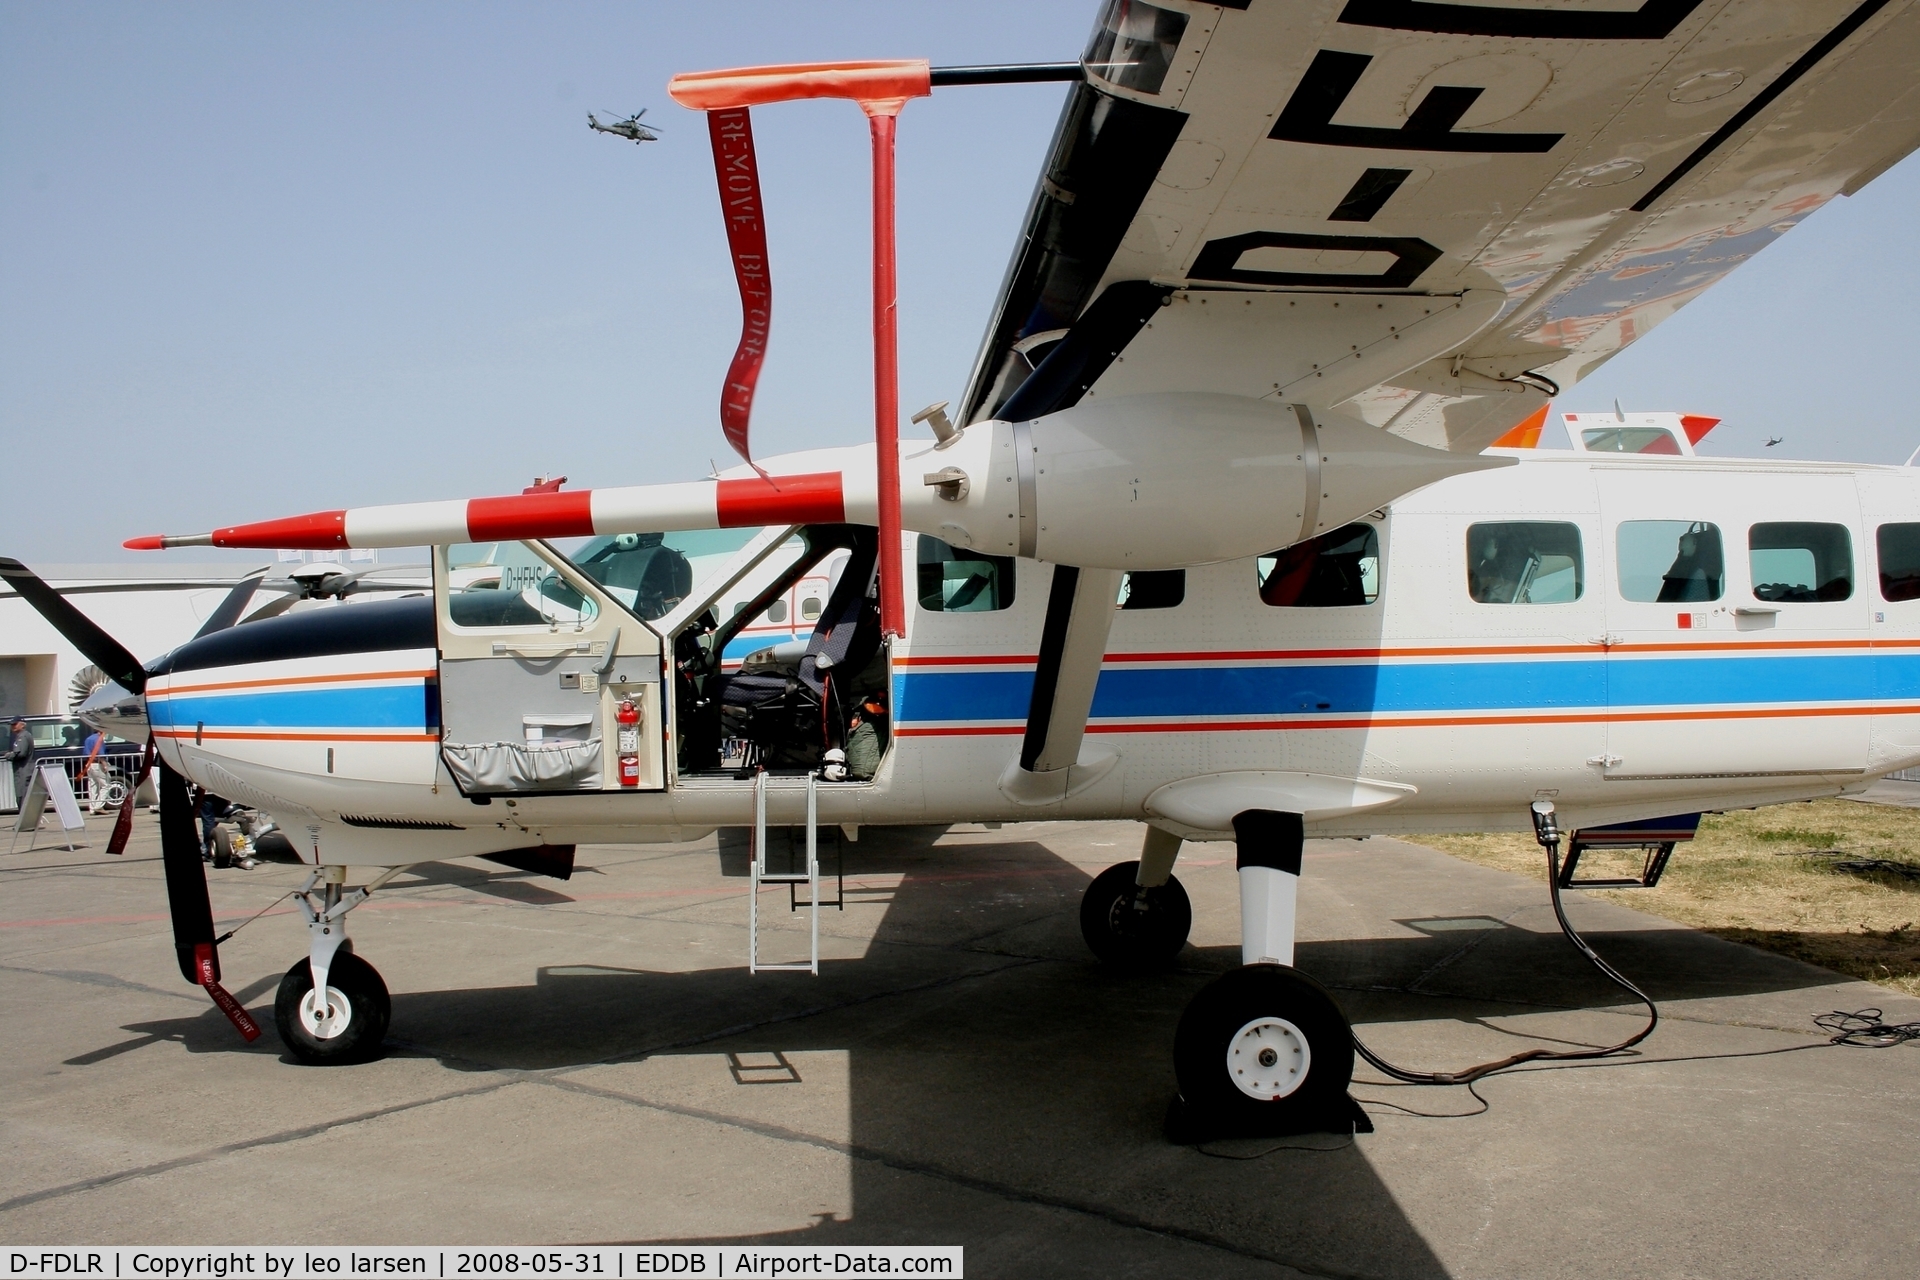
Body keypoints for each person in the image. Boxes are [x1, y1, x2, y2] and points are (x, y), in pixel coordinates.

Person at [5, 717, 33, 808]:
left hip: (23, 770)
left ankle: (25, 820)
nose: (13, 727)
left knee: (22, 796)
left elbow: (20, 754)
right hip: (21, 769)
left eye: (15, 724)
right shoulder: (21, 736)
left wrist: (9, 755)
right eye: (11, 725)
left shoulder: (23, 736)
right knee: (22, 796)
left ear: (22, 724)